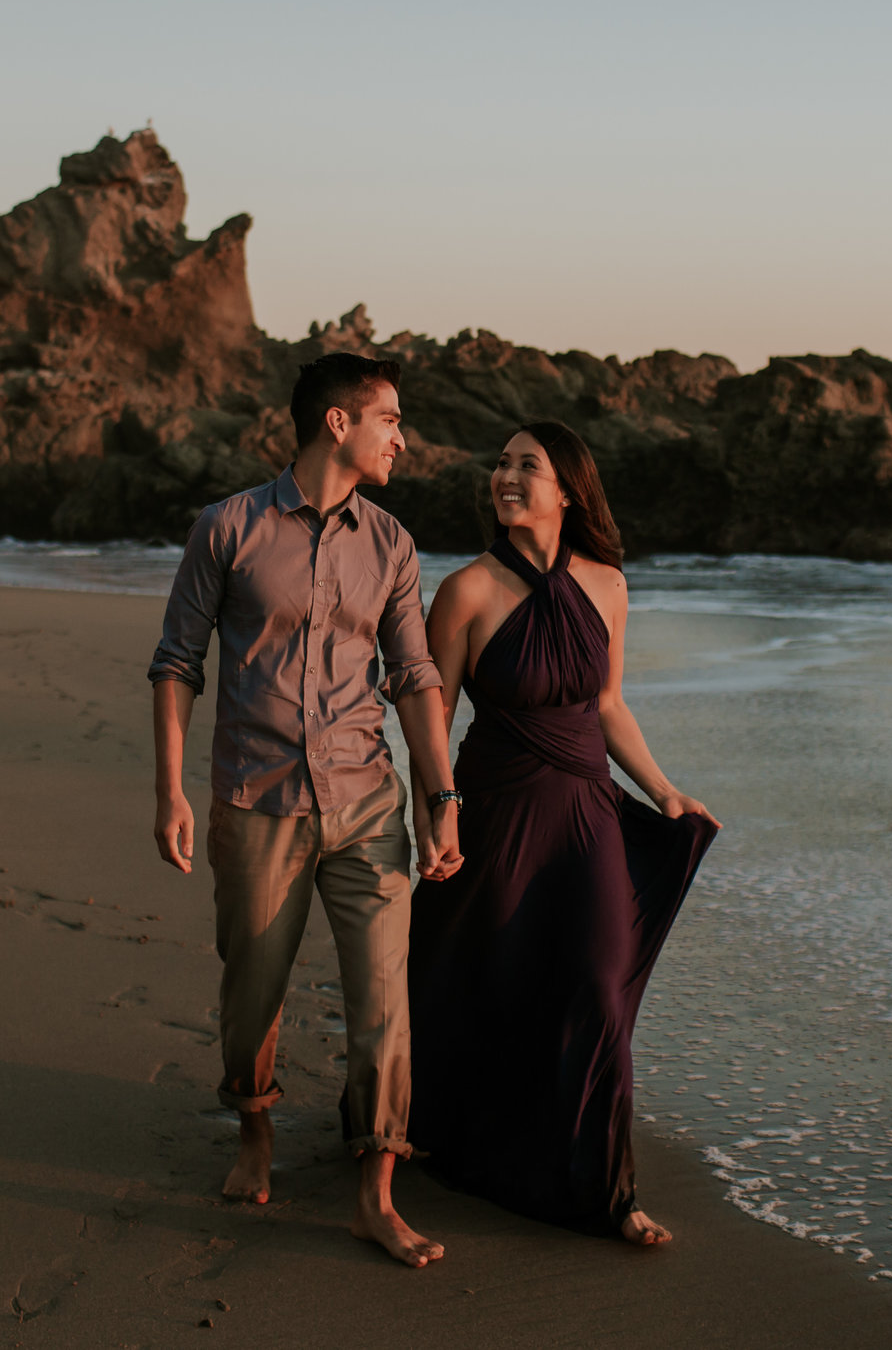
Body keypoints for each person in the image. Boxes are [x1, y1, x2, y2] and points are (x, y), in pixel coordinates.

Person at [146, 352, 459, 1268]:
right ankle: (254, 1126)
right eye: (390, 419)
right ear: (338, 422)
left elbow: (414, 677)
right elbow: (176, 663)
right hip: (259, 800)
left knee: (384, 1003)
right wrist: (169, 789)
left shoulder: (394, 545)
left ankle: (375, 1190)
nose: (402, 437)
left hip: (369, 803)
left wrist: (441, 797)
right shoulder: (228, 529)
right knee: (253, 994)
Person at [408, 419, 719, 1244]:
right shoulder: (467, 590)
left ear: (568, 490)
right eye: (501, 463)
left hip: (586, 809)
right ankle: (446, 1131)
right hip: (498, 805)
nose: (505, 477)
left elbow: (609, 704)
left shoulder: (609, 585)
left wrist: (663, 791)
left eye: (526, 466)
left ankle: (610, 1191)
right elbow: (434, 711)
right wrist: (435, 808)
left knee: (599, 978)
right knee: (476, 971)